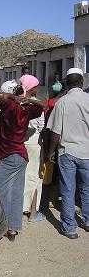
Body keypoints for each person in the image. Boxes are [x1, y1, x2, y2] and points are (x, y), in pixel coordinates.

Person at [0, 74, 45, 241]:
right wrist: (27, 99)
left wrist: (17, 98)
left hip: (10, 156)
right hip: (20, 156)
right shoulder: (26, 109)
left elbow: (0, 96)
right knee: (15, 192)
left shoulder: (9, 107)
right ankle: (12, 229)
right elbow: (43, 105)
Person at [46, 68, 89, 239]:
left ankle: (70, 228)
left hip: (67, 152)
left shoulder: (62, 102)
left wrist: (51, 151)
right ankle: (87, 221)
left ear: (67, 84)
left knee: (68, 190)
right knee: (86, 189)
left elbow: (55, 131)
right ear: (81, 83)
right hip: (86, 152)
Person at [21, 76, 46, 222]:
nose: (37, 89)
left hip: (20, 143)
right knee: (34, 178)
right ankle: (33, 213)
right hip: (34, 144)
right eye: (36, 87)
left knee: (22, 177)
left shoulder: (15, 102)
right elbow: (41, 127)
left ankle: (20, 207)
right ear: (31, 89)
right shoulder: (35, 105)